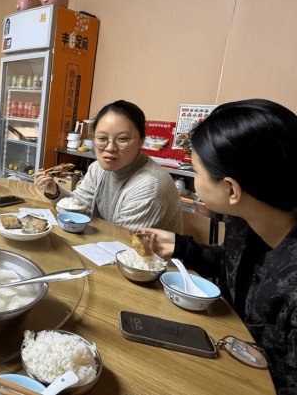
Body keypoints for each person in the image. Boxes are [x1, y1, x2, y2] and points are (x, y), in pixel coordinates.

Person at [141, 99, 297, 394]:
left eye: (196, 171)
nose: (195, 181)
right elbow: (234, 265)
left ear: (231, 189)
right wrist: (183, 248)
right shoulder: (246, 219)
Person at [34, 100, 182, 233]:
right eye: (102, 138)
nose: (110, 148)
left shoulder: (150, 185)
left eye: (122, 139)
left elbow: (124, 241)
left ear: (141, 141)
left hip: (137, 252)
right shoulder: (97, 168)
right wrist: (55, 192)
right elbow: (79, 205)